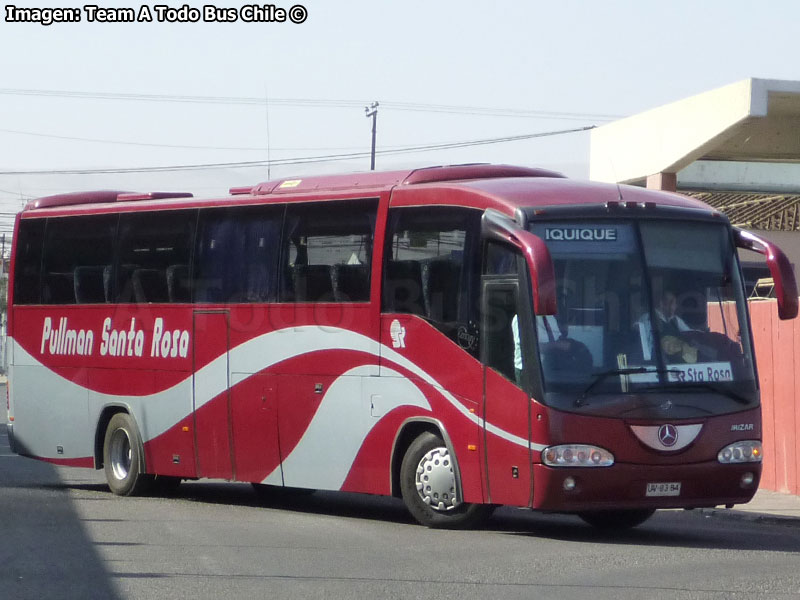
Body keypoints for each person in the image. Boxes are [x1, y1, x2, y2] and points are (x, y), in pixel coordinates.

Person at [637, 290, 693, 361]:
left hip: (675, 363)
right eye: (673, 303)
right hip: (657, 363)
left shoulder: (675, 320)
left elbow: (690, 333)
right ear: (662, 304)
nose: (675, 306)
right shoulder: (648, 318)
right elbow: (645, 343)